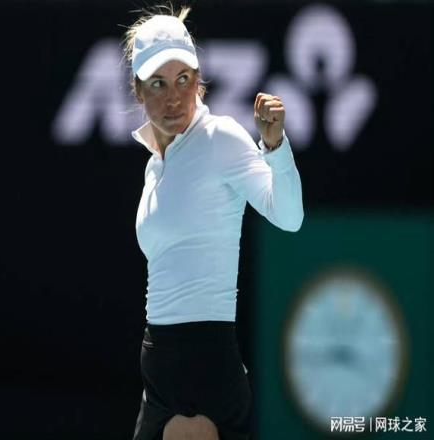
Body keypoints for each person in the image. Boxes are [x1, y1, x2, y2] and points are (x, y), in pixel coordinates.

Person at [123, 5, 304, 440]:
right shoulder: (155, 165)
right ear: (138, 91)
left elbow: (289, 216)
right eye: (158, 83)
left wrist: (275, 146)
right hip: (158, 365)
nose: (173, 97)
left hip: (204, 366)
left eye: (183, 79)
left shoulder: (220, 137)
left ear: (198, 81)